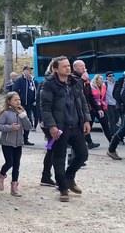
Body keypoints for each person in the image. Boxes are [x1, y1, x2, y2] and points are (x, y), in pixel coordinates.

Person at [40, 56, 92, 202]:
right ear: (55, 69)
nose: (68, 68)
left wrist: (87, 120)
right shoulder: (48, 84)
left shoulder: (75, 82)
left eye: (69, 65)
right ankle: (63, 188)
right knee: (59, 158)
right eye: (64, 66)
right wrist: (52, 126)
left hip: (76, 125)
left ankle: (69, 177)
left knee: (83, 154)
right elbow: (45, 107)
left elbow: (82, 102)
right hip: (60, 127)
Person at [0, 92, 33, 197]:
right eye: (15, 100)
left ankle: (14, 186)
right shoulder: (6, 113)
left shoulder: (22, 112)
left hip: (19, 142)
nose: (18, 102)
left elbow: (28, 127)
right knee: (9, 162)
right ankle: (1, 176)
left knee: (17, 164)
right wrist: (10, 127)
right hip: (7, 142)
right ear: (9, 102)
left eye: (19, 99)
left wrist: (23, 116)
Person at [71, 60, 100, 149]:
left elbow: (89, 96)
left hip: (84, 109)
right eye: (81, 66)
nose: (84, 68)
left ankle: (86, 145)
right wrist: (82, 79)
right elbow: (74, 93)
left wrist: (98, 108)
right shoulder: (72, 79)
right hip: (74, 112)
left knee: (83, 132)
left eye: (84, 66)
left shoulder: (86, 80)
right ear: (75, 68)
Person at [13, 66, 36, 144]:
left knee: (28, 121)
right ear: (24, 71)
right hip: (20, 105)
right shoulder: (19, 80)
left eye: (30, 70)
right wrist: (18, 101)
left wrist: (34, 100)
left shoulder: (32, 81)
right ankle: (17, 138)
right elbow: (14, 91)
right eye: (28, 70)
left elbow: (35, 90)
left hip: (30, 105)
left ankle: (25, 139)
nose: (29, 71)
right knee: (18, 122)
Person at [90, 74, 112, 142]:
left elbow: (104, 97)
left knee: (105, 124)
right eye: (100, 79)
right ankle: (89, 141)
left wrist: (104, 106)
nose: (102, 80)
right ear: (96, 80)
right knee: (89, 125)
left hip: (101, 108)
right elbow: (91, 99)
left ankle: (111, 140)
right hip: (92, 108)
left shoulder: (103, 86)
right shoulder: (91, 87)